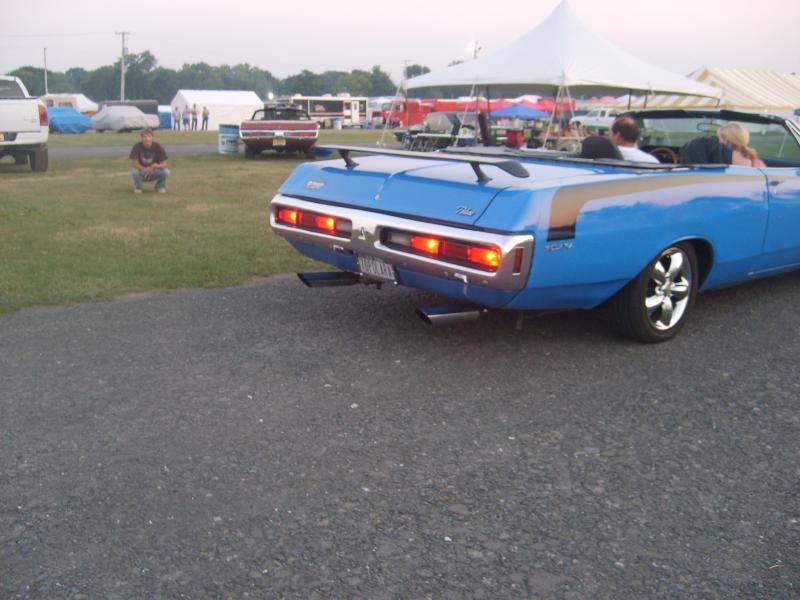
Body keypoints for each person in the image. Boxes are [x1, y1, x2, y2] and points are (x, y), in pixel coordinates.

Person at [130, 129, 169, 194]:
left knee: (166, 172)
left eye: (149, 136)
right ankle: (138, 188)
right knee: (134, 172)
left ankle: (160, 187)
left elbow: (165, 164)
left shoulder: (158, 147)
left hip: (154, 171)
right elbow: (134, 163)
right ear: (141, 138)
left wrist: (156, 166)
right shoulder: (137, 146)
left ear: (152, 138)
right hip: (142, 171)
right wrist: (144, 169)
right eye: (144, 136)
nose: (147, 139)